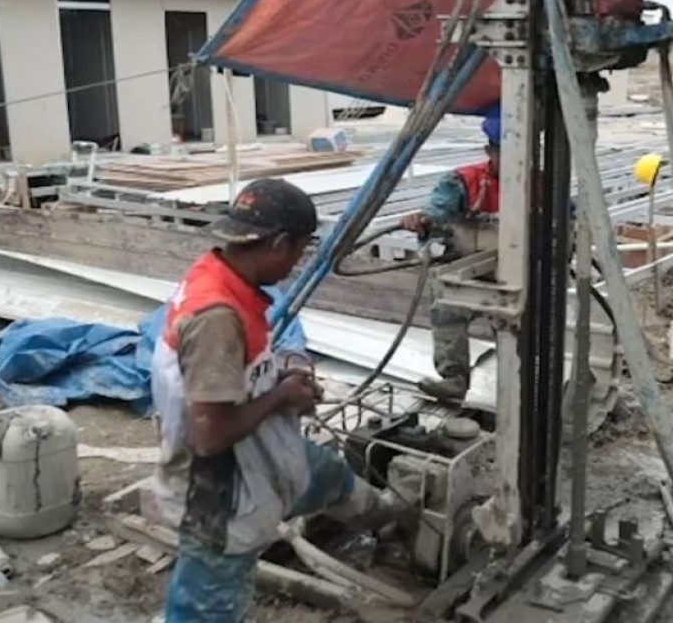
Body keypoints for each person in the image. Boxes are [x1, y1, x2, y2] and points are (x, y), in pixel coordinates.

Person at [152, 178, 402, 622]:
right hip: (217, 490)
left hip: (257, 453)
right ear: (280, 244)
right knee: (206, 602)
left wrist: (280, 379)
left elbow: (236, 374)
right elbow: (210, 435)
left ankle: (392, 520)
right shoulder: (217, 318)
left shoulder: (221, 276)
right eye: (300, 251)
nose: (296, 264)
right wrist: (283, 395)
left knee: (327, 472)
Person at [400, 108, 501, 402]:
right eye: (505, 152)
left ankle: (522, 382)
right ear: (489, 150)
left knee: (518, 331)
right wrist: (424, 219)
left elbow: (566, 218)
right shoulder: (462, 181)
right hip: (468, 268)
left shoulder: (541, 183)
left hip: (518, 272)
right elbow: (438, 208)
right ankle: (455, 378)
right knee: (447, 308)